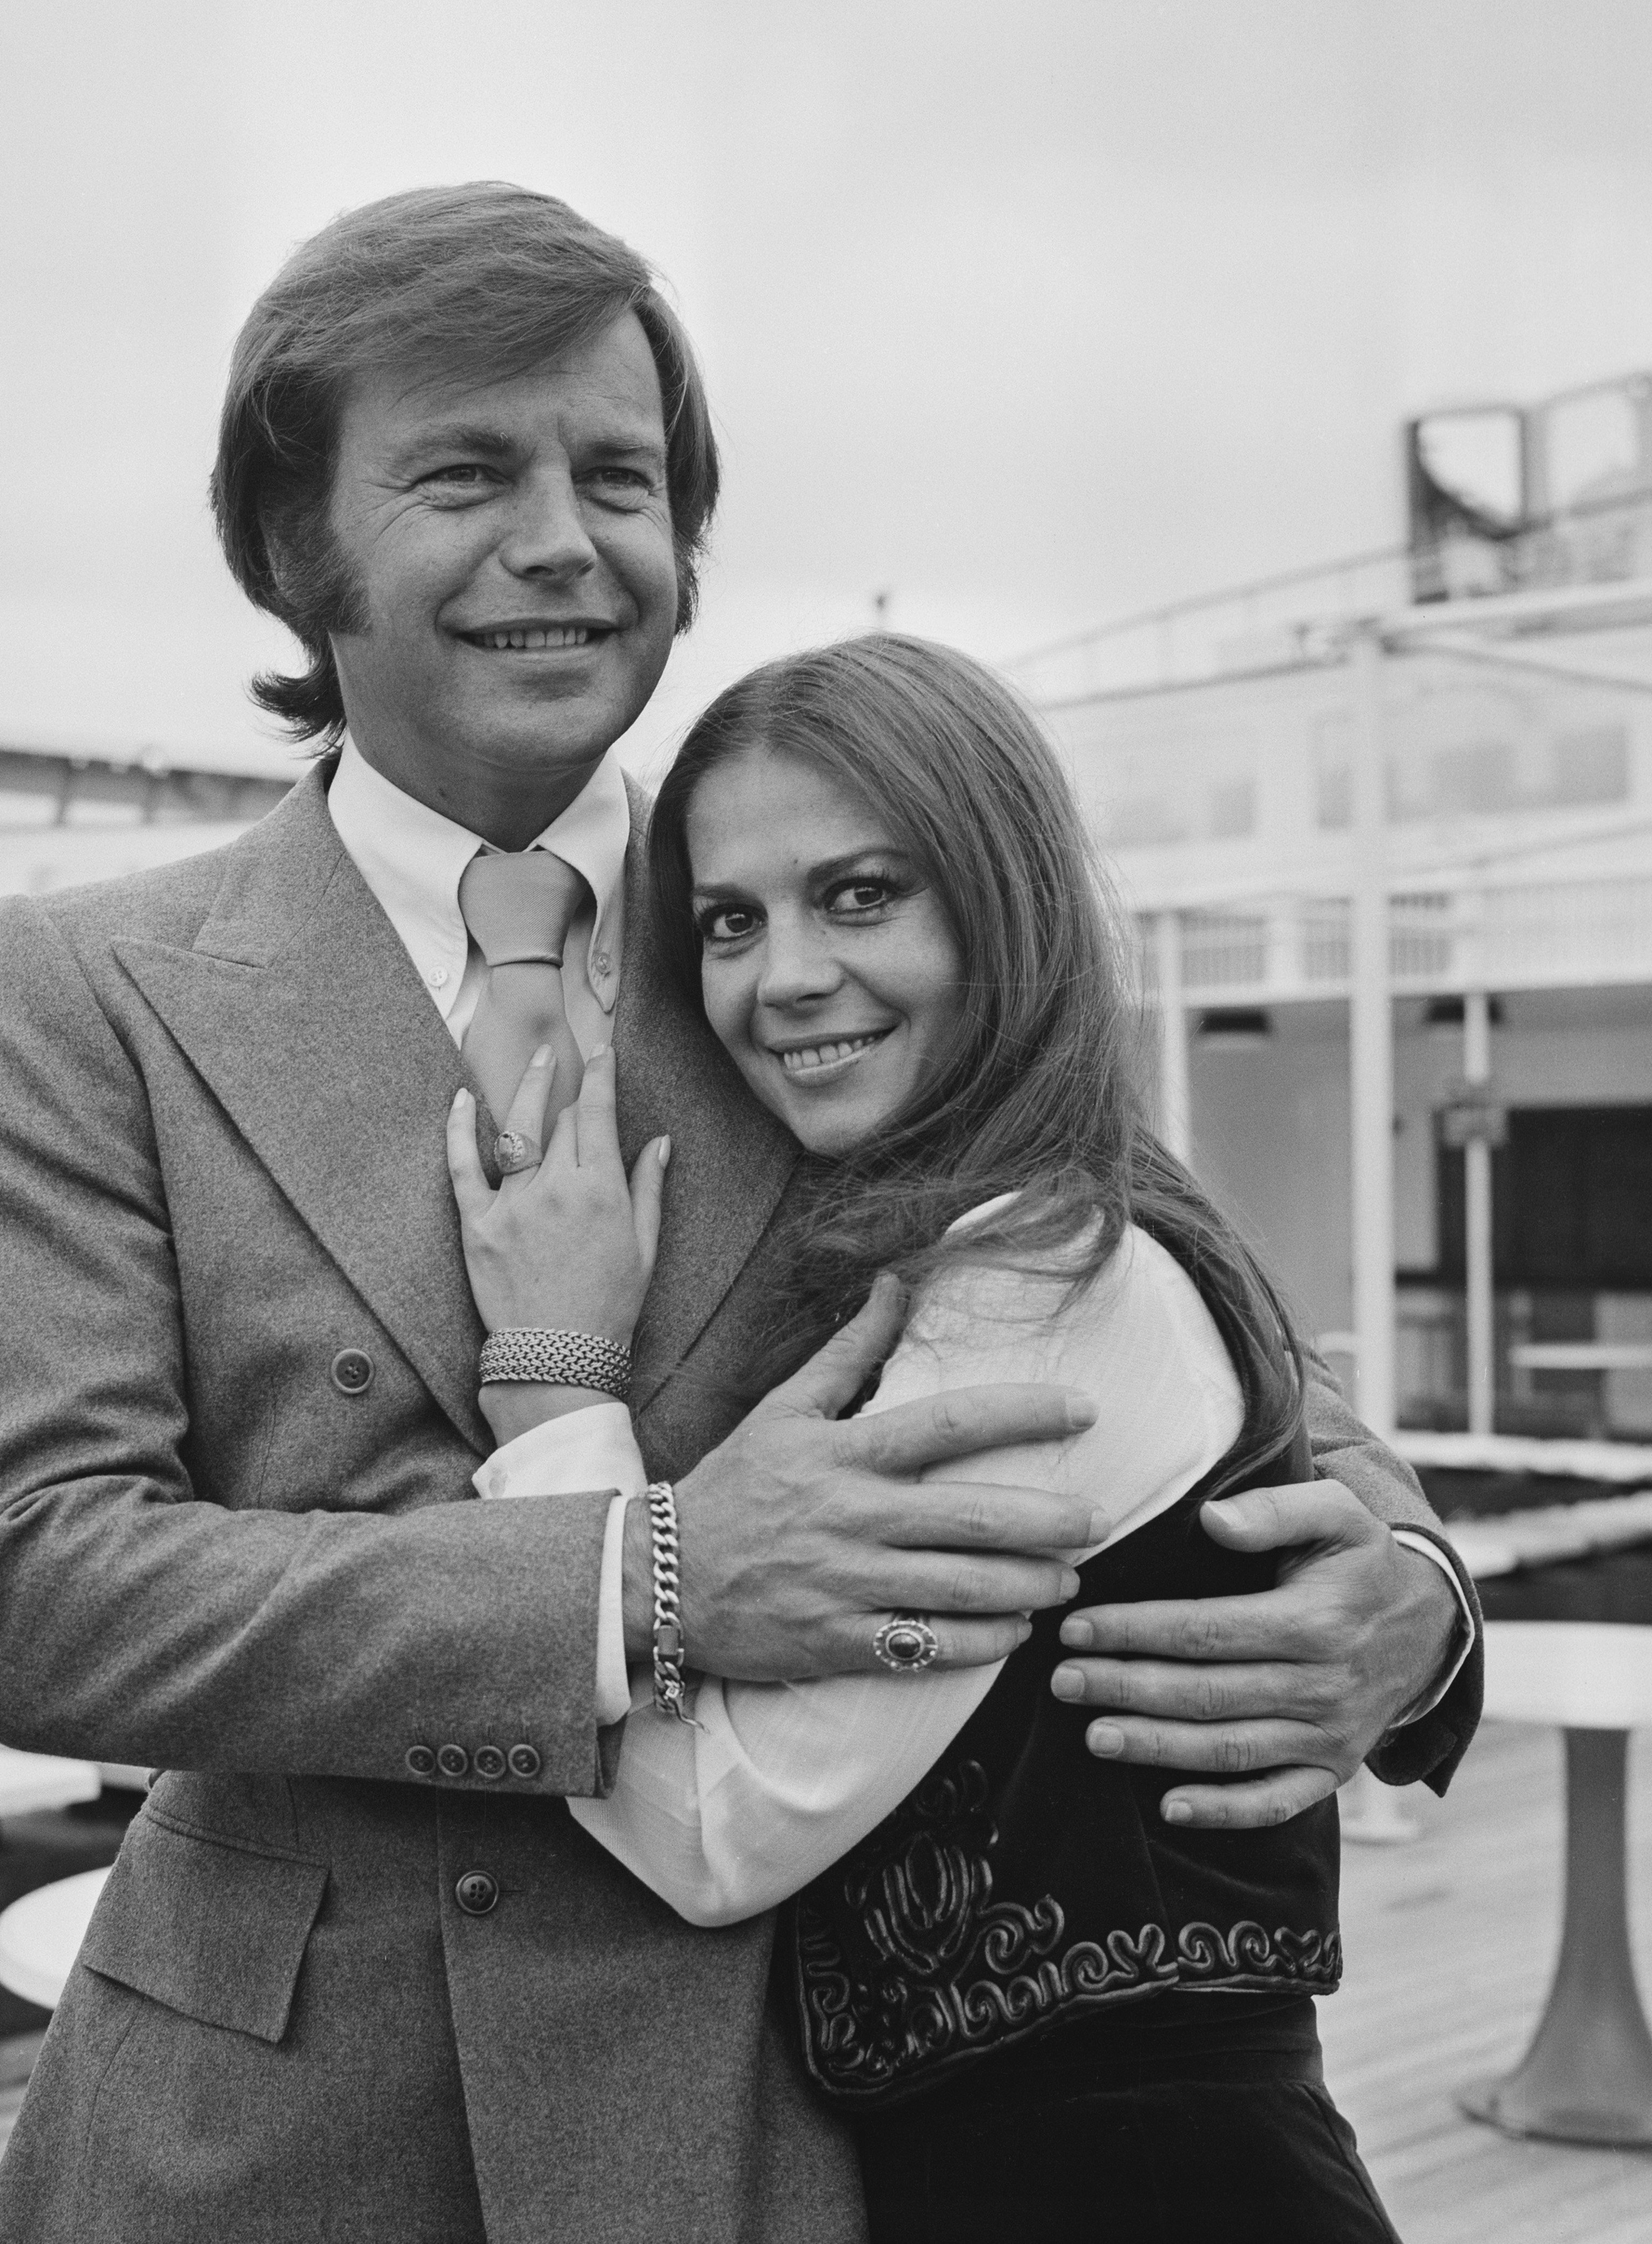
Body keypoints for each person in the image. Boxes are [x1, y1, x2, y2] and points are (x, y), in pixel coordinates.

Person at [0, 183, 1478, 2242]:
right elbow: (39, 1585)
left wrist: (1412, 1600)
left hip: (754, 2130)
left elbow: (1158, 1291)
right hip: (263, 2136)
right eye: (464, 473)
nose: (562, 538)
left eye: (620, 476)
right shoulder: (92, 984)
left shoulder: (821, 941)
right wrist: (642, 1581)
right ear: (298, 549)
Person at [453, 633, 1430, 2242]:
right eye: (728, 921)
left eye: (859, 895)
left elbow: (719, 1832)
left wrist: (555, 1400)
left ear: (1002, 901)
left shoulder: (1032, 1286)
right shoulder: (1022, 1231)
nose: (782, 979)